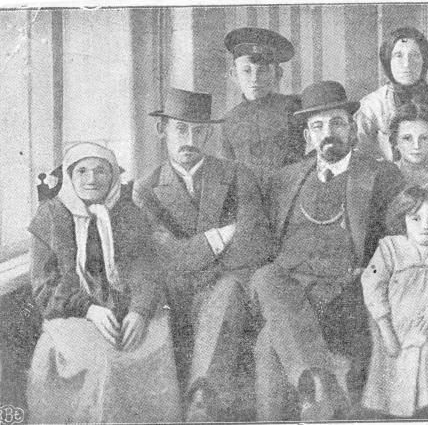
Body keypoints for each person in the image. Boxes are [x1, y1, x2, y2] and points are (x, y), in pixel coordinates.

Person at [250, 80, 404, 422]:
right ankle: (320, 385)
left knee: (267, 344)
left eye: (336, 123)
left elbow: (398, 243)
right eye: (317, 126)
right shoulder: (285, 179)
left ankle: (316, 391)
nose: (327, 133)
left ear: (351, 128)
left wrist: (371, 275)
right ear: (308, 135)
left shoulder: (381, 175)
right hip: (291, 291)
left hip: (346, 294)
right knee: (265, 275)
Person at [133, 87, 273, 421]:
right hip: (177, 296)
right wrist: (220, 236)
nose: (189, 138)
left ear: (208, 133)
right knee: (218, 291)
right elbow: (165, 255)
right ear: (163, 130)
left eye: (198, 130)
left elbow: (255, 243)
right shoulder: (145, 188)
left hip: (231, 290)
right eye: (181, 128)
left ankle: (202, 403)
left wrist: (202, 258)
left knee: (225, 293)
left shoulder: (238, 175)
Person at [27, 142, 180, 423]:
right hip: (71, 313)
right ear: (70, 178)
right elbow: (43, 286)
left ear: (112, 177)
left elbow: (145, 268)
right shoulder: (50, 215)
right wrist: (89, 309)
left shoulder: (128, 213)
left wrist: (140, 311)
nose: (91, 179)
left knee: (156, 338)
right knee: (104, 357)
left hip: (124, 309)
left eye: (100, 171)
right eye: (82, 171)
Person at [361, 185, 428, 418]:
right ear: (403, 220)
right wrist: (385, 330)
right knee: (390, 382)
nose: (425, 226)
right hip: (392, 325)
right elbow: (372, 284)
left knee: (422, 386)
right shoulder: (390, 247)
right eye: (416, 219)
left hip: (427, 326)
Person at [217, 27, 304, 187]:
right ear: (233, 75)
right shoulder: (229, 121)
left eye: (262, 70)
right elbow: (228, 176)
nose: (254, 78)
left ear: (277, 74)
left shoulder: (295, 109)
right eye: (246, 70)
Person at [355, 27, 428, 162]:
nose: (407, 64)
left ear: (424, 60)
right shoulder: (371, 106)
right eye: (398, 55)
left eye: (414, 55)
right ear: (387, 61)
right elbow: (359, 155)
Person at [389, 101, 428, 187]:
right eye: (407, 138)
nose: (416, 146)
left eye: (424, 138)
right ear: (395, 141)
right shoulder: (387, 175)